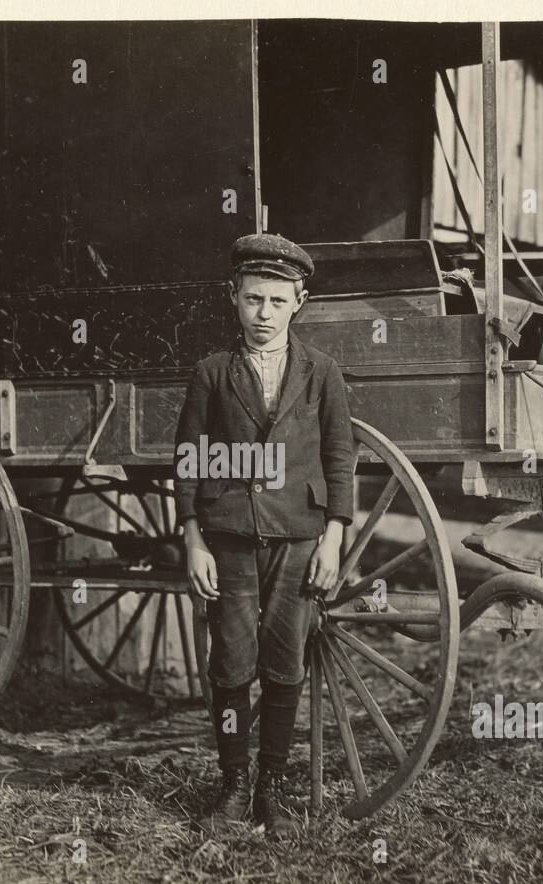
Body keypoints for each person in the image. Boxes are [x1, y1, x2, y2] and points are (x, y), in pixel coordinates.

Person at [173, 233, 355, 836]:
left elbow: (339, 456)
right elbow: (191, 458)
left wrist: (333, 537)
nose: (264, 314)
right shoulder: (211, 374)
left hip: (299, 534)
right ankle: (232, 785)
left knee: (283, 665)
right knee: (230, 663)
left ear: (299, 302)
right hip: (227, 536)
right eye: (253, 299)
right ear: (234, 297)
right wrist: (194, 537)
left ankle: (270, 790)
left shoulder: (322, 373)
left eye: (277, 301)